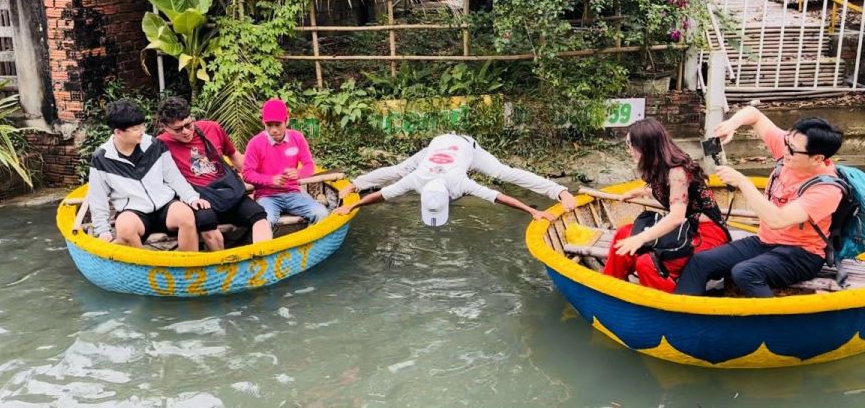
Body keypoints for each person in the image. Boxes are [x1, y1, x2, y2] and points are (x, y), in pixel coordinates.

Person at [675, 107, 844, 297]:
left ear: (817, 158)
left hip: (802, 254)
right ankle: (682, 319)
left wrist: (742, 182)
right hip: (766, 241)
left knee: (745, 272)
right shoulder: (792, 148)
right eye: (786, 142)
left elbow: (777, 220)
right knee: (700, 262)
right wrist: (732, 125)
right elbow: (754, 114)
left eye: (792, 150)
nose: (785, 150)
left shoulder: (826, 189)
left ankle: (774, 324)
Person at [603, 118, 731, 292]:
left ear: (646, 147)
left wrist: (640, 238)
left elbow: (677, 216)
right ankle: (610, 286)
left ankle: (671, 304)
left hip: (706, 233)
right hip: (685, 228)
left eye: (631, 145)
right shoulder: (662, 166)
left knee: (647, 263)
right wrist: (640, 192)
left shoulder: (677, 171)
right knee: (623, 234)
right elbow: (670, 191)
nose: (629, 151)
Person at [333, 133, 563, 225]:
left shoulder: (459, 182)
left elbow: (500, 197)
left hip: (466, 147)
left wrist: (533, 211)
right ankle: (356, 182)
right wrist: (353, 202)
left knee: (501, 173)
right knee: (400, 170)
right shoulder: (416, 178)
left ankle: (557, 189)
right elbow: (380, 195)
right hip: (436, 146)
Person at [87, 99, 210, 252]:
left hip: (165, 204)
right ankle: (145, 270)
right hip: (133, 211)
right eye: (135, 128)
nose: (142, 131)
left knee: (186, 216)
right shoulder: (101, 158)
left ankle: (188, 266)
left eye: (142, 125)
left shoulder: (154, 145)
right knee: (124, 228)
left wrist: (191, 197)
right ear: (118, 132)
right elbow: (97, 198)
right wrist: (102, 230)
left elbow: (174, 178)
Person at [155, 97, 273, 250]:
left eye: (188, 125)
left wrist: (262, 179)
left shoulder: (211, 128)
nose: (185, 132)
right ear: (166, 128)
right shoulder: (160, 144)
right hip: (199, 199)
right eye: (178, 130)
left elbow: (235, 156)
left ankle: (263, 259)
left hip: (227, 192)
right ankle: (222, 266)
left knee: (259, 216)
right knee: (207, 224)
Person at [242, 98, 328, 225]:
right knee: (265, 222)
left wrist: (299, 173)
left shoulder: (297, 137)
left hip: (293, 193)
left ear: (286, 121)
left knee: (322, 213)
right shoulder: (255, 143)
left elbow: (309, 166)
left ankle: (310, 243)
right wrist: (270, 180)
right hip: (266, 196)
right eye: (269, 125)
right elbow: (247, 174)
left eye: (278, 124)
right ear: (263, 123)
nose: (273, 130)